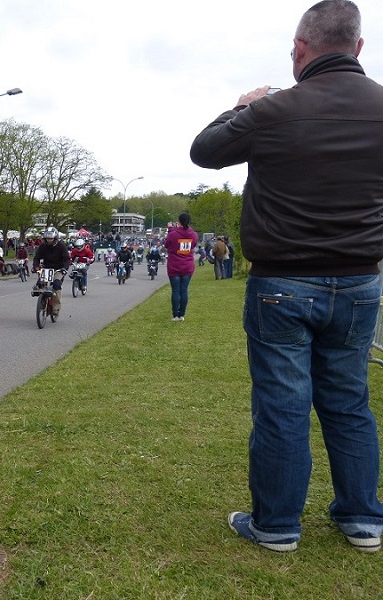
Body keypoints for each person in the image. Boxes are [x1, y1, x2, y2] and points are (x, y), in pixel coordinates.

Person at [190, 0, 383, 553]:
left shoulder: (274, 111)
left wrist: (239, 106)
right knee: (349, 401)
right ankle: (362, 519)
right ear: (358, 47)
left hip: (282, 283)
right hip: (360, 280)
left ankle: (276, 525)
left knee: (282, 405)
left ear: (299, 49)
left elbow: (205, 151)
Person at [164, 213, 199, 321]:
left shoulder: (173, 234)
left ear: (179, 222)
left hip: (174, 265)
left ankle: (175, 315)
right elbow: (193, 245)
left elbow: (167, 244)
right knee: (184, 290)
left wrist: (170, 229)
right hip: (187, 266)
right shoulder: (193, 235)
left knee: (175, 290)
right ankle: (182, 314)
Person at [32, 227, 71, 317]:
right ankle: (42, 303)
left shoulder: (61, 246)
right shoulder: (43, 246)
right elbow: (37, 258)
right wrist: (36, 266)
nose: (49, 240)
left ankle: (56, 308)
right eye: (47, 238)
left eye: (51, 238)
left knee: (56, 285)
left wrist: (64, 269)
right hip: (46, 269)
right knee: (40, 285)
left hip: (58, 269)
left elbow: (66, 259)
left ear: (55, 238)